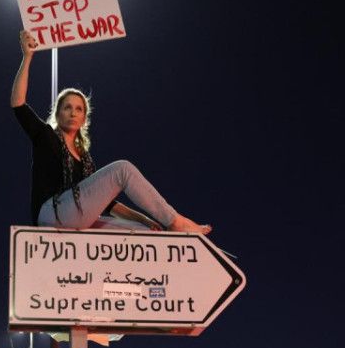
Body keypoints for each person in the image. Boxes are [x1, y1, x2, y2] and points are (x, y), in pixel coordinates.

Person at [11, 29, 212, 234]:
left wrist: (143, 218)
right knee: (122, 169)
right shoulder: (46, 137)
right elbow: (18, 105)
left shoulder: (85, 160)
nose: (72, 112)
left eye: (78, 109)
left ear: (83, 119)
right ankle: (177, 222)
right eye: (67, 107)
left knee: (144, 229)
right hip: (51, 215)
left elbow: (109, 206)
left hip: (75, 215)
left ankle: (169, 230)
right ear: (58, 113)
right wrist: (28, 57)